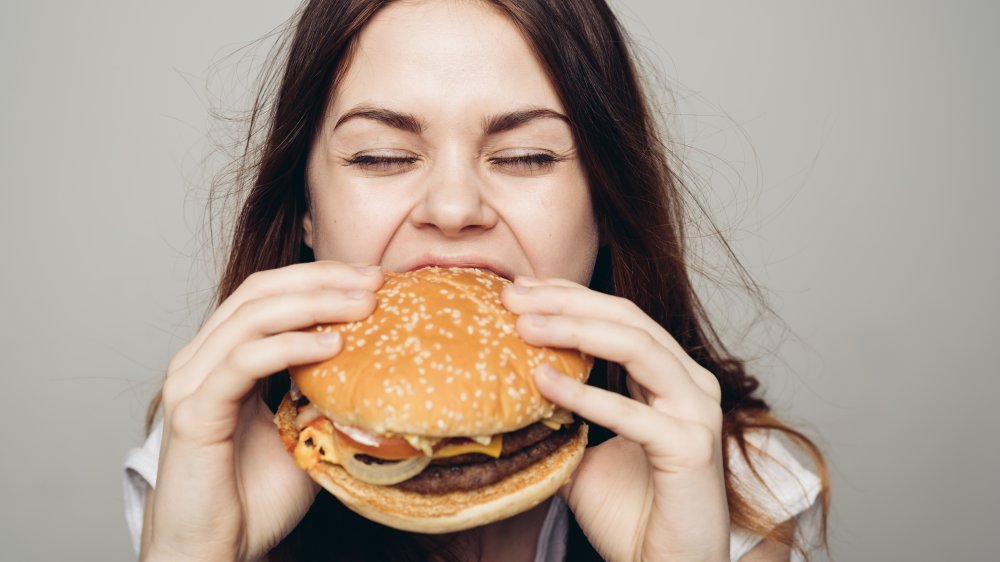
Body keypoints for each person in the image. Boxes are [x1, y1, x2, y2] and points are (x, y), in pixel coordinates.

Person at [123, 0, 830, 560]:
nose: (454, 210)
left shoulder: (731, 480)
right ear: (305, 209)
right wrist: (194, 553)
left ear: (608, 203)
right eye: (379, 157)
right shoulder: (209, 456)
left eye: (525, 156)